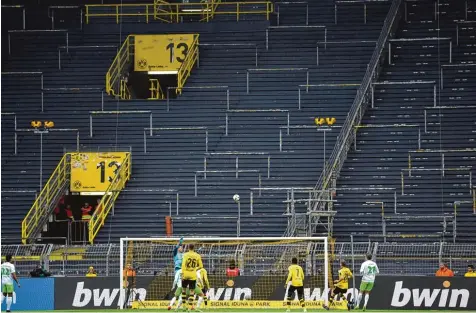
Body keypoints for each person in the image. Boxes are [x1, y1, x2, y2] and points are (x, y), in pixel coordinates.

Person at [181, 244, 204, 310]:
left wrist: (182, 274)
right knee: (192, 291)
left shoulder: (185, 255)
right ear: (194, 248)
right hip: (193, 275)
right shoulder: (197, 255)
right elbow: (201, 266)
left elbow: (183, 265)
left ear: (188, 248)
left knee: (183, 290)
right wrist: (195, 269)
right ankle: (190, 307)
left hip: (185, 274)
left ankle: (184, 306)